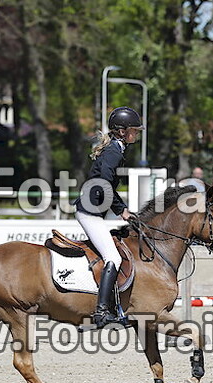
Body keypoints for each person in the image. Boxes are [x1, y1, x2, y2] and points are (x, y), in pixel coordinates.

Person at [74, 106, 142, 327]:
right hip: (90, 213)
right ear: (122, 131)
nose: (137, 133)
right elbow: (104, 184)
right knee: (114, 258)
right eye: (134, 129)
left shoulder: (116, 149)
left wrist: (124, 210)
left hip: (96, 212)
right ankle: (102, 312)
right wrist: (121, 210)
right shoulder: (114, 151)